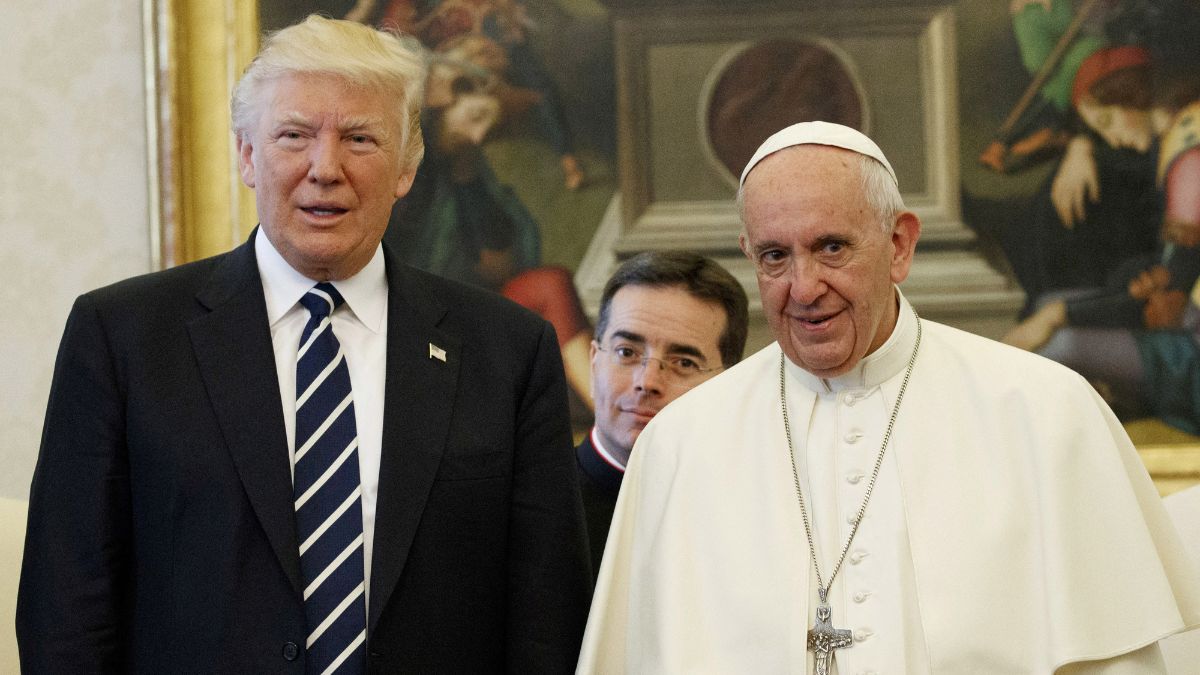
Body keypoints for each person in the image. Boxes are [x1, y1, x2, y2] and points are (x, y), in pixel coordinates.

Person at [17, 15, 590, 673]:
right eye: (294, 135)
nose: (326, 168)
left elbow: (548, 618)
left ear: (407, 166)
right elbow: (66, 610)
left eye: (360, 138)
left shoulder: (508, 351)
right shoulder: (122, 337)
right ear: (246, 155)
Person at [578, 121, 1200, 673]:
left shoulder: (1044, 410)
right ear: (749, 256)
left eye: (831, 248)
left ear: (900, 244)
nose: (804, 287)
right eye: (774, 256)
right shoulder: (682, 443)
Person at [577, 251, 749, 576]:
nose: (648, 382)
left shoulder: (762, 515)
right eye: (626, 352)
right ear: (594, 362)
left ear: (730, 385)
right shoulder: (522, 507)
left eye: (684, 362)